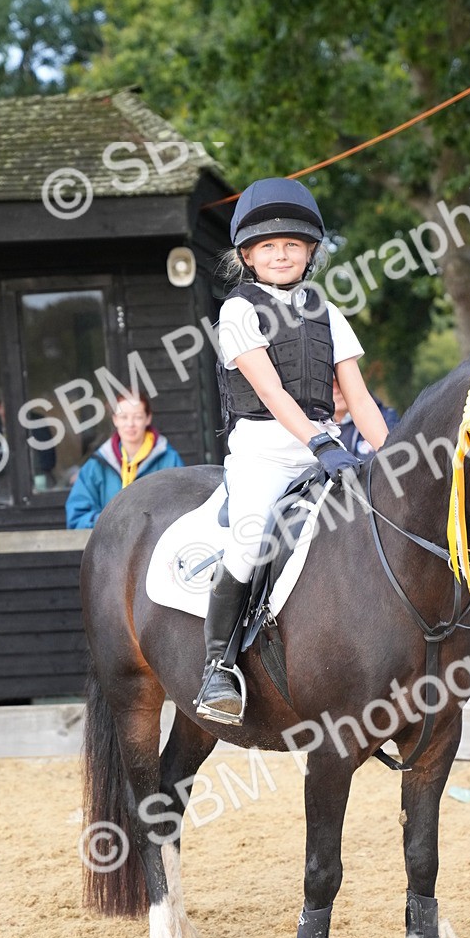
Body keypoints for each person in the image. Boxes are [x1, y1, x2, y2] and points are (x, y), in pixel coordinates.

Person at [194, 176, 392, 725]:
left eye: (292, 245)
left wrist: (397, 457)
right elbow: (271, 390)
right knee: (252, 539)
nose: (281, 254)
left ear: (309, 253)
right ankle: (219, 668)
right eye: (268, 246)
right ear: (248, 256)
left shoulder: (328, 314)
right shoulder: (237, 310)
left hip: (321, 450)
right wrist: (319, 441)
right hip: (263, 451)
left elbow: (360, 397)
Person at [65, 392, 183, 528]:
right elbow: (76, 519)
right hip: (108, 547)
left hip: (156, 547)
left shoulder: (169, 460)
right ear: (115, 420)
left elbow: (182, 513)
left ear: (148, 418)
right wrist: (112, 522)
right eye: (123, 417)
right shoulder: (96, 465)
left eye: (138, 417)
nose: (130, 424)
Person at [333, 375, 399, 458]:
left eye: (339, 384)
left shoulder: (385, 418)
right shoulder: (319, 430)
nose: (335, 391)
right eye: (330, 385)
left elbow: (392, 457)